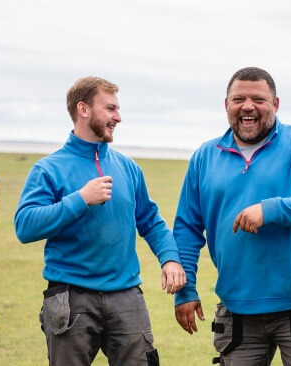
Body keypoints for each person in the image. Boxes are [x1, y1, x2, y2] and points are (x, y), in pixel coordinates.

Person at [173, 67, 291, 365]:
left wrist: (271, 210)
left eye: (259, 99)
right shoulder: (205, 156)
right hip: (237, 309)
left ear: (275, 104)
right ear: (226, 104)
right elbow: (187, 228)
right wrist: (185, 289)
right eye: (238, 98)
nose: (248, 106)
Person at [14, 76, 186, 366]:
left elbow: (151, 221)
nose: (118, 117)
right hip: (71, 298)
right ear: (83, 109)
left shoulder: (128, 167)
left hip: (127, 296)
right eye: (110, 108)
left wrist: (170, 258)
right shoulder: (48, 169)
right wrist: (79, 199)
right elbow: (25, 226)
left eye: (117, 109)